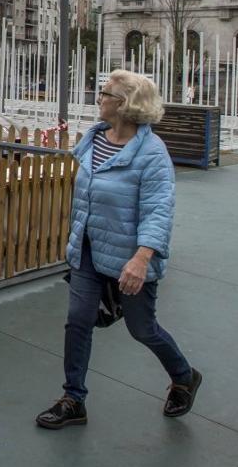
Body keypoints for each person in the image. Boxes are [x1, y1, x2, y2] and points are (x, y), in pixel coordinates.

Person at [37, 69, 201, 430]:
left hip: (130, 259)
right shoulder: (94, 139)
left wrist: (142, 259)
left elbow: (159, 211)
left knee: (142, 329)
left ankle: (184, 375)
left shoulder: (152, 154)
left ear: (124, 104)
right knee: (78, 320)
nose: (100, 98)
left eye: (105, 93)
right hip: (88, 250)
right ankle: (73, 399)